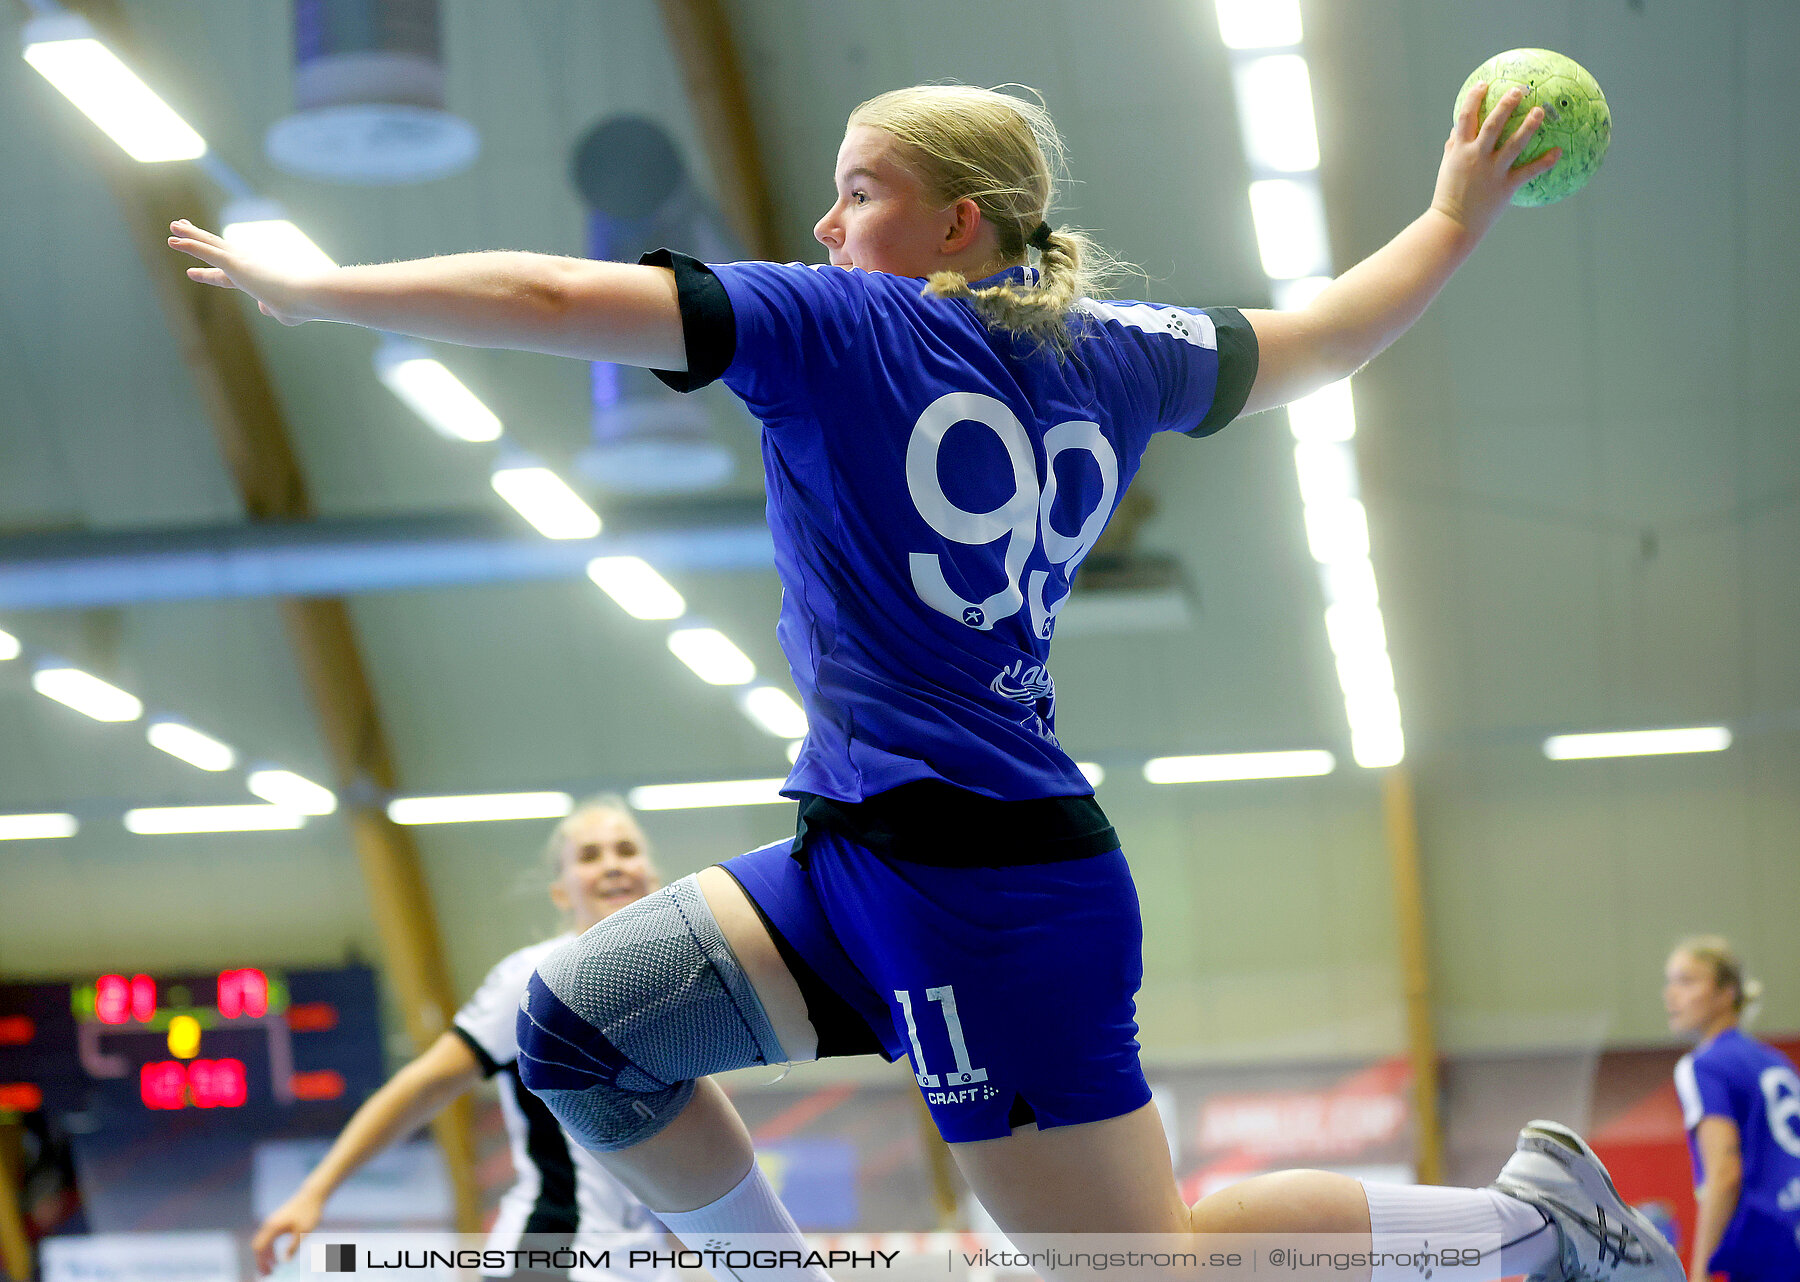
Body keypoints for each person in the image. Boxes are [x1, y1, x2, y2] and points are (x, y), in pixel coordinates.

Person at [174, 79, 1680, 1282]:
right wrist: (1450, 220)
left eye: (860, 191)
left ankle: (1529, 1222)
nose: (827, 225)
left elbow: (558, 300)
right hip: (862, 849)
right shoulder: (1120, 348)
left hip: (990, 888)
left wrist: (321, 289)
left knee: (1137, 1264)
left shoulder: (844, 327)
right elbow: (1326, 339)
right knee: (577, 1031)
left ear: (958, 223)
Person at [250, 799, 674, 1282]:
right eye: (590, 856)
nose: (612, 865)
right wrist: (315, 1192)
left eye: (625, 850)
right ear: (561, 891)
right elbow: (423, 1086)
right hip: (550, 1258)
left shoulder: (681, 986)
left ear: (653, 877)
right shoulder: (534, 981)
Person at [1665, 936, 1800, 1282]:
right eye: (1670, 981)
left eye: (1687, 981)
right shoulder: (1776, 1061)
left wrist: (1700, 1272)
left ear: (1727, 993)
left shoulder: (1704, 1065)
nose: (1671, 994)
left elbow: (1724, 1173)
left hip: (1772, 1243)